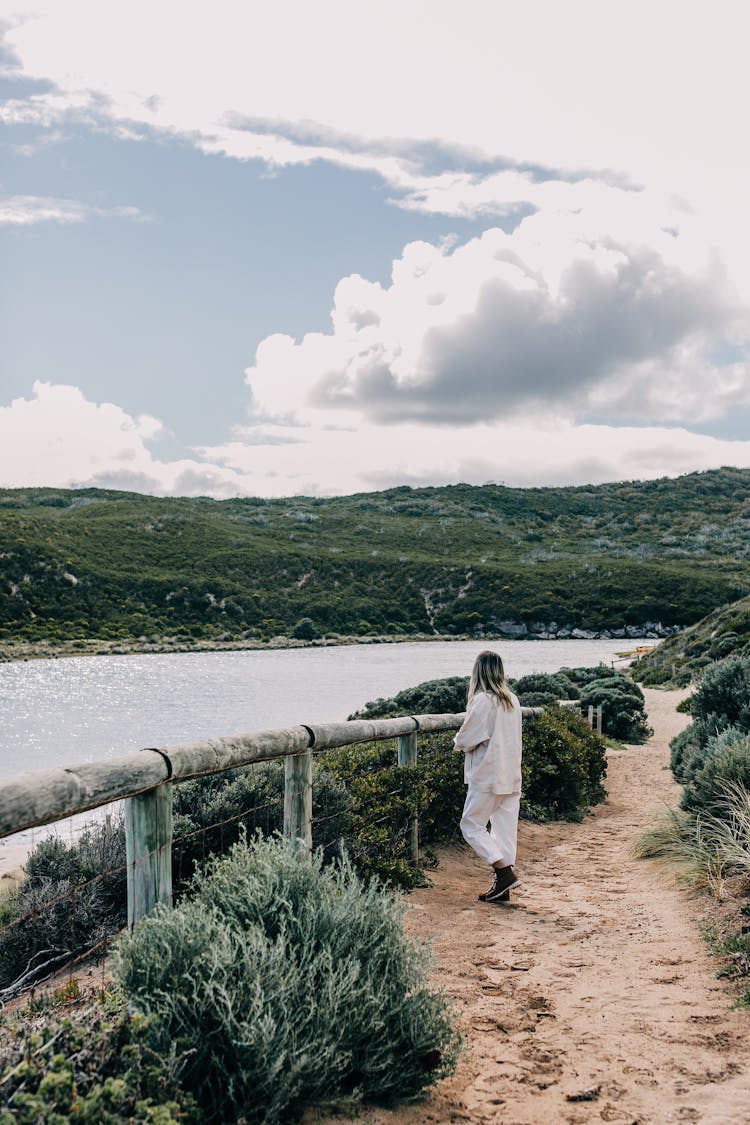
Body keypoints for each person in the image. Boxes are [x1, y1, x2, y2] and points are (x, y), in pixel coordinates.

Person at [454, 650, 522, 904]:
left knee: (470, 825)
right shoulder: (512, 700)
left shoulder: (483, 701)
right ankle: (503, 888)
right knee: (504, 832)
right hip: (511, 775)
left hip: (488, 776)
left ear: (478, 672)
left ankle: (503, 872)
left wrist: (457, 742)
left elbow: (466, 738)